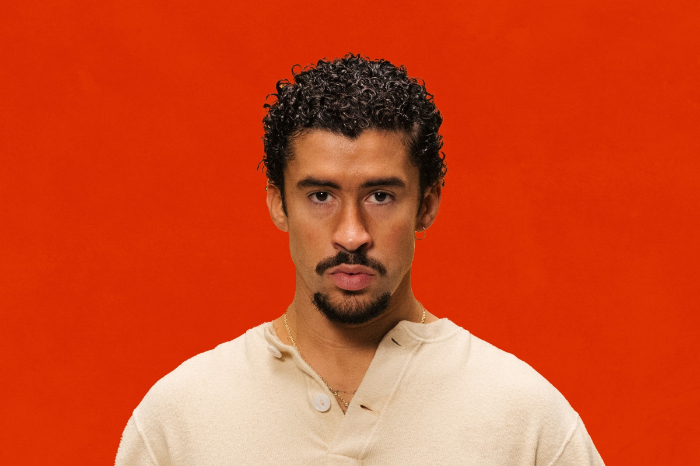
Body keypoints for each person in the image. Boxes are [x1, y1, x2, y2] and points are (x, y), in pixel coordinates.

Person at [115, 54, 604, 465]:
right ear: (278, 203)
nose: (351, 235)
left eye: (380, 196)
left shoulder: (526, 421)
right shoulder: (178, 421)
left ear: (427, 205)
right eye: (321, 196)